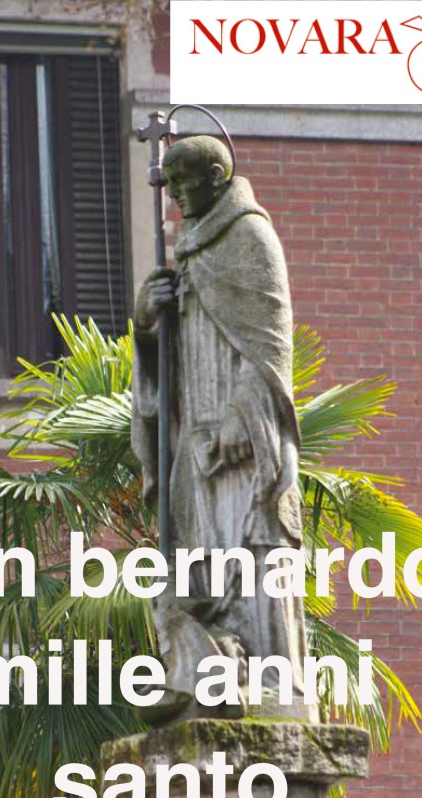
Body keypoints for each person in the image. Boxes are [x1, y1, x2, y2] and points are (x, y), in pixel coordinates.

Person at [133, 135, 315, 723]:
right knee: (195, 564)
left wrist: (243, 412)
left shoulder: (250, 236)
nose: (176, 196)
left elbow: (271, 342)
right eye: (170, 185)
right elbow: (165, 363)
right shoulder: (188, 253)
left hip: (246, 438)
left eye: (184, 182)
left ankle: (270, 685)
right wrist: (148, 320)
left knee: (254, 556)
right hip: (195, 435)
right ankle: (209, 673)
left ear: (216, 175)